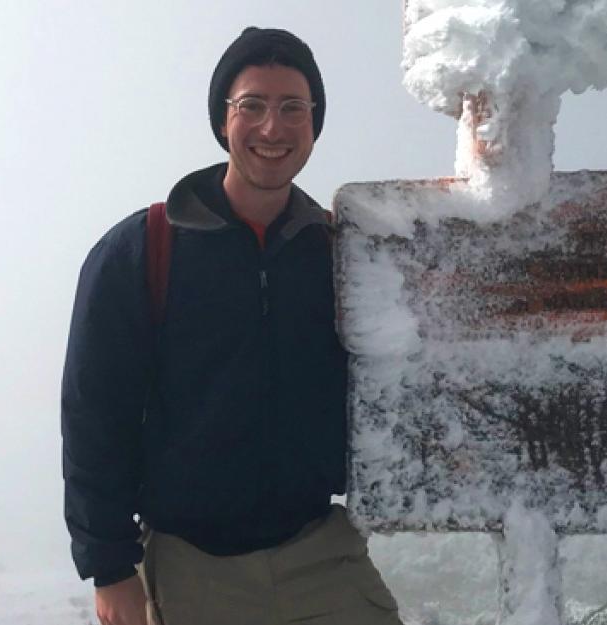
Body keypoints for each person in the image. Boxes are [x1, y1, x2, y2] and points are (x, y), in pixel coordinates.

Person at [61, 26, 402, 625]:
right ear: (224, 121)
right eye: (253, 106)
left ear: (314, 124)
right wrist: (109, 568)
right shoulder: (143, 249)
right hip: (193, 565)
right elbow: (94, 412)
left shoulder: (337, 253)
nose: (273, 128)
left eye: (293, 107)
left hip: (321, 551)